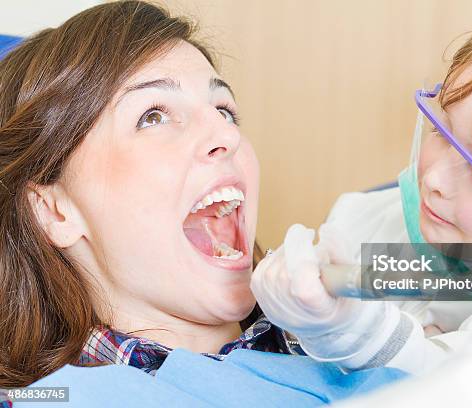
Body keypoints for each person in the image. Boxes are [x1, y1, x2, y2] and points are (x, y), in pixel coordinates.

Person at [251, 0, 472, 375]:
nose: (434, 179)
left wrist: (354, 332)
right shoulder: (376, 219)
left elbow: (459, 384)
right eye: (442, 131)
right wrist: (300, 314)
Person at [0, 0, 301, 390]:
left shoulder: (334, 297)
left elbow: (403, 265)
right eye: (153, 116)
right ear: (55, 211)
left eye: (224, 110)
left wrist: (364, 307)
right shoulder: (52, 400)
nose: (227, 135)